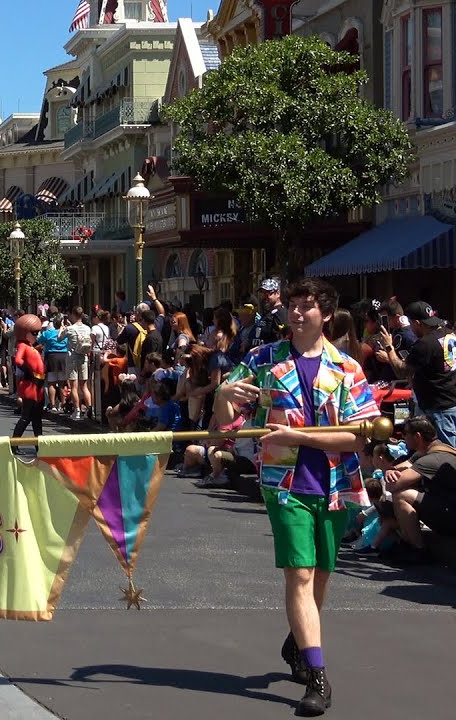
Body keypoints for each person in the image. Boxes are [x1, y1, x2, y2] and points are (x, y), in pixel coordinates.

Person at [216, 277, 379, 716]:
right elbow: (227, 424)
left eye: (306, 306)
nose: (296, 312)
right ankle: (318, 677)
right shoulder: (263, 359)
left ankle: (298, 642)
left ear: (325, 314)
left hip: (336, 483)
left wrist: (300, 436)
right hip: (284, 485)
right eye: (293, 304)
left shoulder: (347, 368)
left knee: (320, 576)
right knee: (301, 575)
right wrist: (223, 395)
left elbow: (359, 437)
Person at [379, 301, 456, 445]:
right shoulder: (449, 334)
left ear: (417, 323)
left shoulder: (425, 344)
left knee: (446, 451)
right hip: (449, 401)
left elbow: (401, 371)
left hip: (437, 409)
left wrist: (389, 347)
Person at [384, 416, 456, 561]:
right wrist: (390, 471)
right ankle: (406, 542)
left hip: (452, 516)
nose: (403, 437)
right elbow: (400, 468)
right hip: (444, 507)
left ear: (417, 436)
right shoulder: (429, 450)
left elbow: (392, 486)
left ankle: (419, 549)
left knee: (402, 495)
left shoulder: (431, 459)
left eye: (405, 434)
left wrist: (391, 475)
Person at [11, 314, 47, 445]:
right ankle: (14, 444)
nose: (37, 335)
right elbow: (18, 359)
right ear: (25, 332)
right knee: (26, 417)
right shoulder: (23, 345)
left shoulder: (30, 347)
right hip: (30, 385)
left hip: (38, 385)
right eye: (34, 333)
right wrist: (28, 371)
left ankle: (39, 445)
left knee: (37, 418)